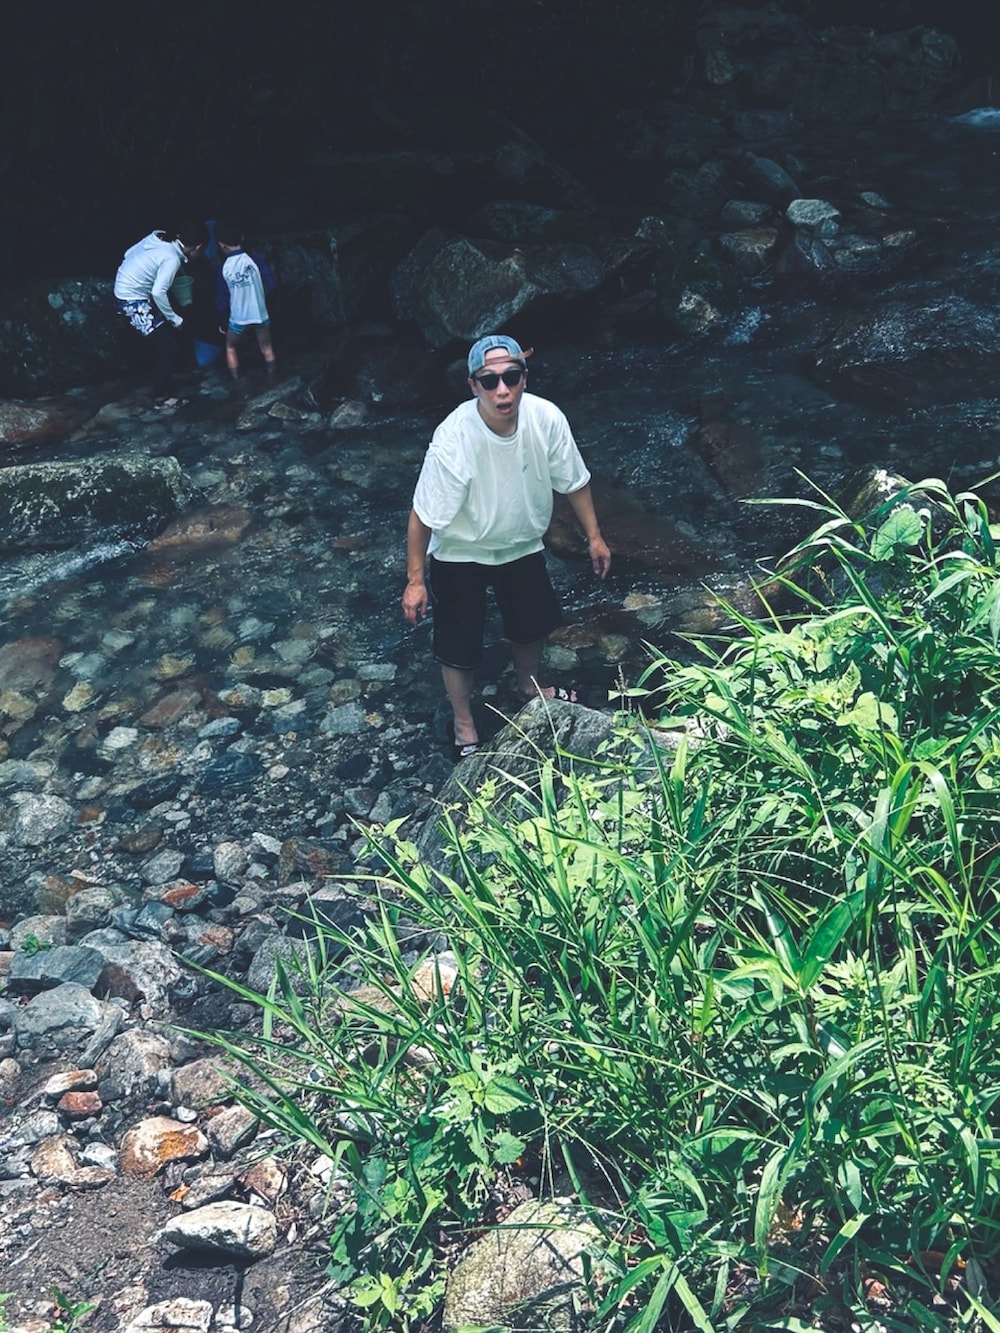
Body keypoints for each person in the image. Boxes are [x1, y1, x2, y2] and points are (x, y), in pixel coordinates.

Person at [402, 334, 612, 761]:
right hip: (461, 550)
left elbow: (575, 481)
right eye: (490, 380)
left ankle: (529, 686)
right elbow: (423, 513)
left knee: (530, 624)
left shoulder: (546, 419)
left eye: (511, 377)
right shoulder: (454, 437)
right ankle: (464, 722)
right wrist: (415, 580)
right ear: (473, 385)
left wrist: (594, 537)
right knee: (459, 644)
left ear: (524, 378)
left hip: (522, 542)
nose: (503, 390)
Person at [114, 223, 208, 408]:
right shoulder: (172, 258)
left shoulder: (157, 237)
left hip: (125, 289)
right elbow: (158, 292)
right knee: (168, 347)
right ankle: (160, 398)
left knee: (164, 340)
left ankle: (165, 380)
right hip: (132, 301)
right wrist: (175, 319)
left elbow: (128, 253)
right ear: (198, 247)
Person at [214, 222, 277, 383]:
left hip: (238, 318)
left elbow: (222, 299)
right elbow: (271, 284)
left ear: (221, 245)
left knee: (230, 347)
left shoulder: (224, 268)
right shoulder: (255, 259)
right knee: (267, 348)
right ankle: (273, 379)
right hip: (260, 314)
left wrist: (222, 322)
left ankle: (238, 383)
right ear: (242, 238)